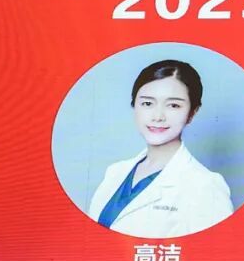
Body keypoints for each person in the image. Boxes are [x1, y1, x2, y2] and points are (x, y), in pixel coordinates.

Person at [88, 59, 233, 238]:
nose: (158, 116)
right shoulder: (115, 172)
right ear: (134, 106)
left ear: (192, 113)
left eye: (173, 105)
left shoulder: (205, 186)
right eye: (147, 103)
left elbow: (216, 253)